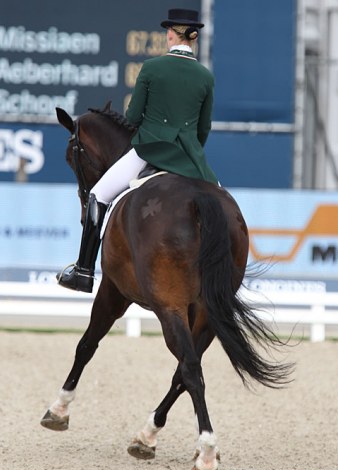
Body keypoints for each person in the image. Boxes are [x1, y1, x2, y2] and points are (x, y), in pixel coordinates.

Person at [57, 8, 218, 293]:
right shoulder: (205, 77)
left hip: (149, 149)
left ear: (171, 34)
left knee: (98, 194)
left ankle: (83, 271)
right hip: (192, 158)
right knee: (220, 203)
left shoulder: (152, 68)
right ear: (193, 38)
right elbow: (203, 129)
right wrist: (188, 151)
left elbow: (132, 117)